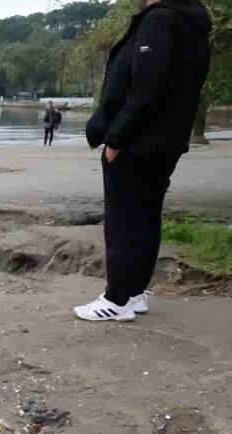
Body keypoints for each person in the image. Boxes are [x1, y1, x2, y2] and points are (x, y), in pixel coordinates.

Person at [75, 0, 211, 322]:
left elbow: (146, 89)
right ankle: (135, 293)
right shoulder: (194, 25)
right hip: (169, 140)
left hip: (140, 141)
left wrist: (117, 139)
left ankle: (117, 299)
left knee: (124, 219)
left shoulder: (160, 19)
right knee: (146, 216)